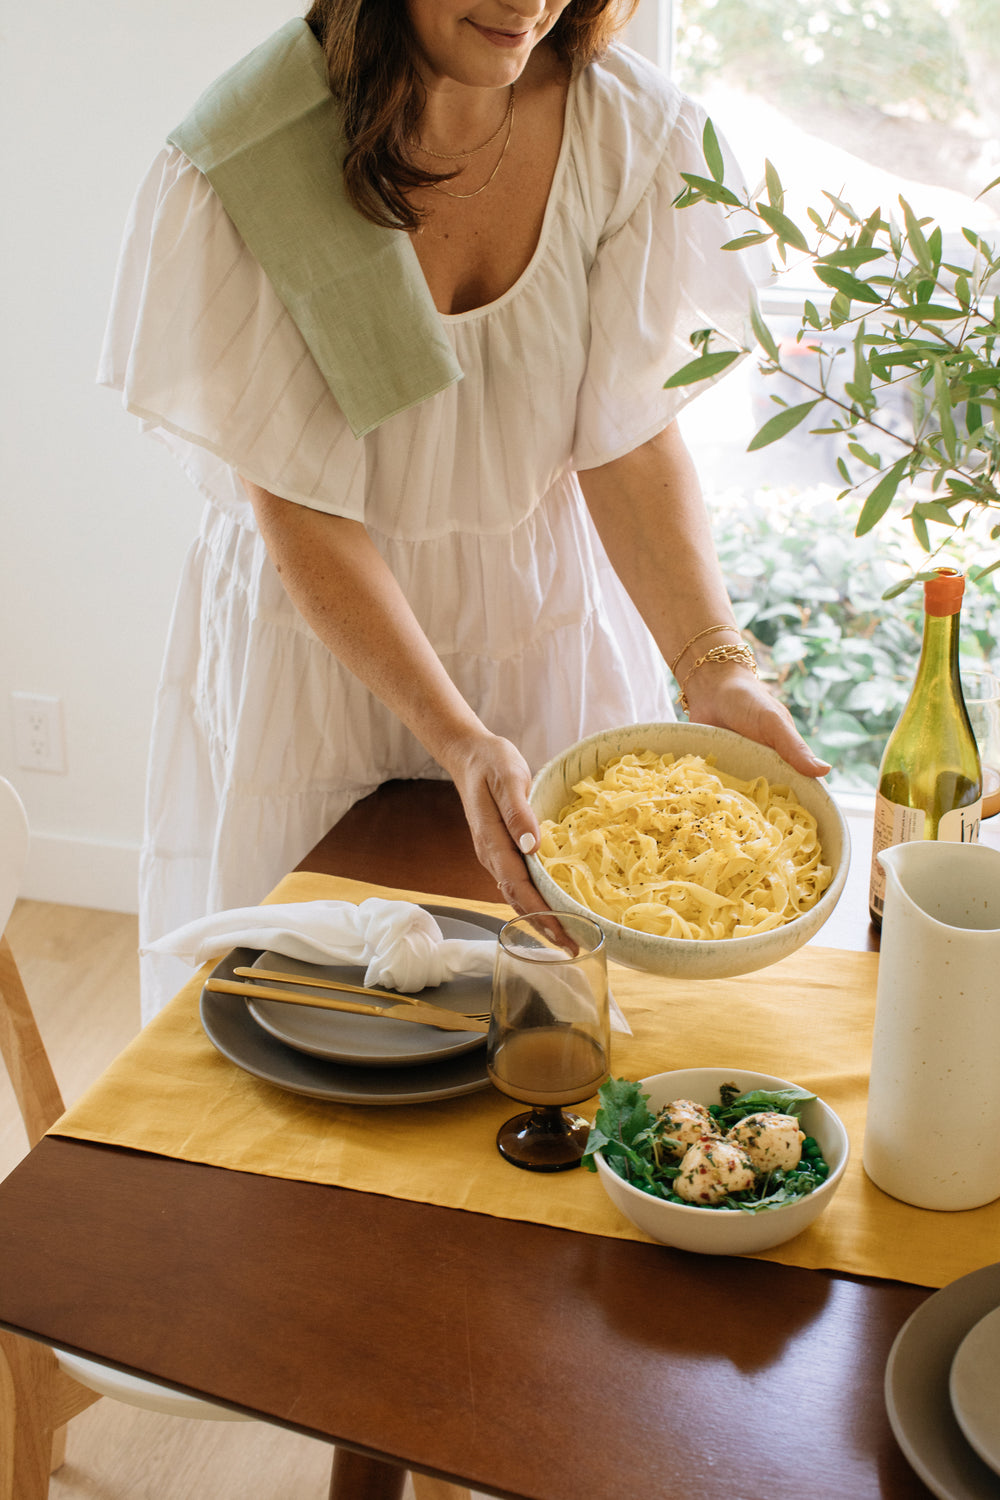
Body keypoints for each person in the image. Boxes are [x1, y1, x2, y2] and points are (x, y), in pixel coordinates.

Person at [101, 0, 830, 1020]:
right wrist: (455, 736)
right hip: (321, 646)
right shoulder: (249, 156)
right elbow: (298, 505)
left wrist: (714, 667)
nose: (531, 4)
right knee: (318, 1027)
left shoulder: (627, 132)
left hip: (540, 629)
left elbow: (624, 438)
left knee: (552, 1020)